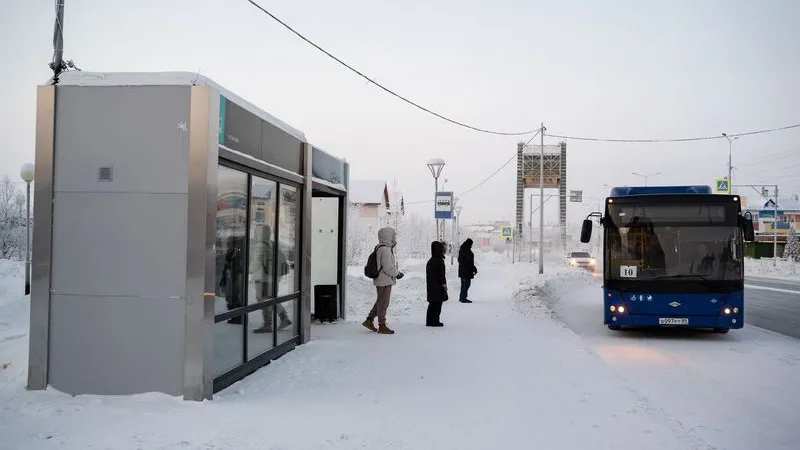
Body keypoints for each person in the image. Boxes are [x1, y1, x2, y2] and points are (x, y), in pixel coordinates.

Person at [363, 227, 404, 334]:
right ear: (388, 236)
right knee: (383, 303)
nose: (394, 238)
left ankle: (369, 320)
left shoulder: (379, 247)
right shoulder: (385, 250)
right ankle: (382, 325)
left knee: (380, 301)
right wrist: (397, 274)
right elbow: (388, 268)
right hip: (384, 280)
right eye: (393, 236)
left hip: (381, 279)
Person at [425, 240, 448, 327]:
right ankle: (435, 321)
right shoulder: (439, 261)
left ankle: (429, 321)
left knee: (432, 304)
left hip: (431, 286)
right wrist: (444, 286)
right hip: (438, 286)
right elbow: (441, 275)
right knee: (437, 304)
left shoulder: (431, 260)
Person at [457, 238, 478, 303]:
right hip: (466, 271)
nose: (471, 245)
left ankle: (462, 297)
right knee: (466, 284)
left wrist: (473, 268)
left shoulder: (463, 250)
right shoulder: (466, 251)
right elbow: (469, 262)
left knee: (464, 284)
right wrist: (473, 268)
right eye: (471, 244)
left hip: (463, 270)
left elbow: (460, 260)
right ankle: (463, 298)